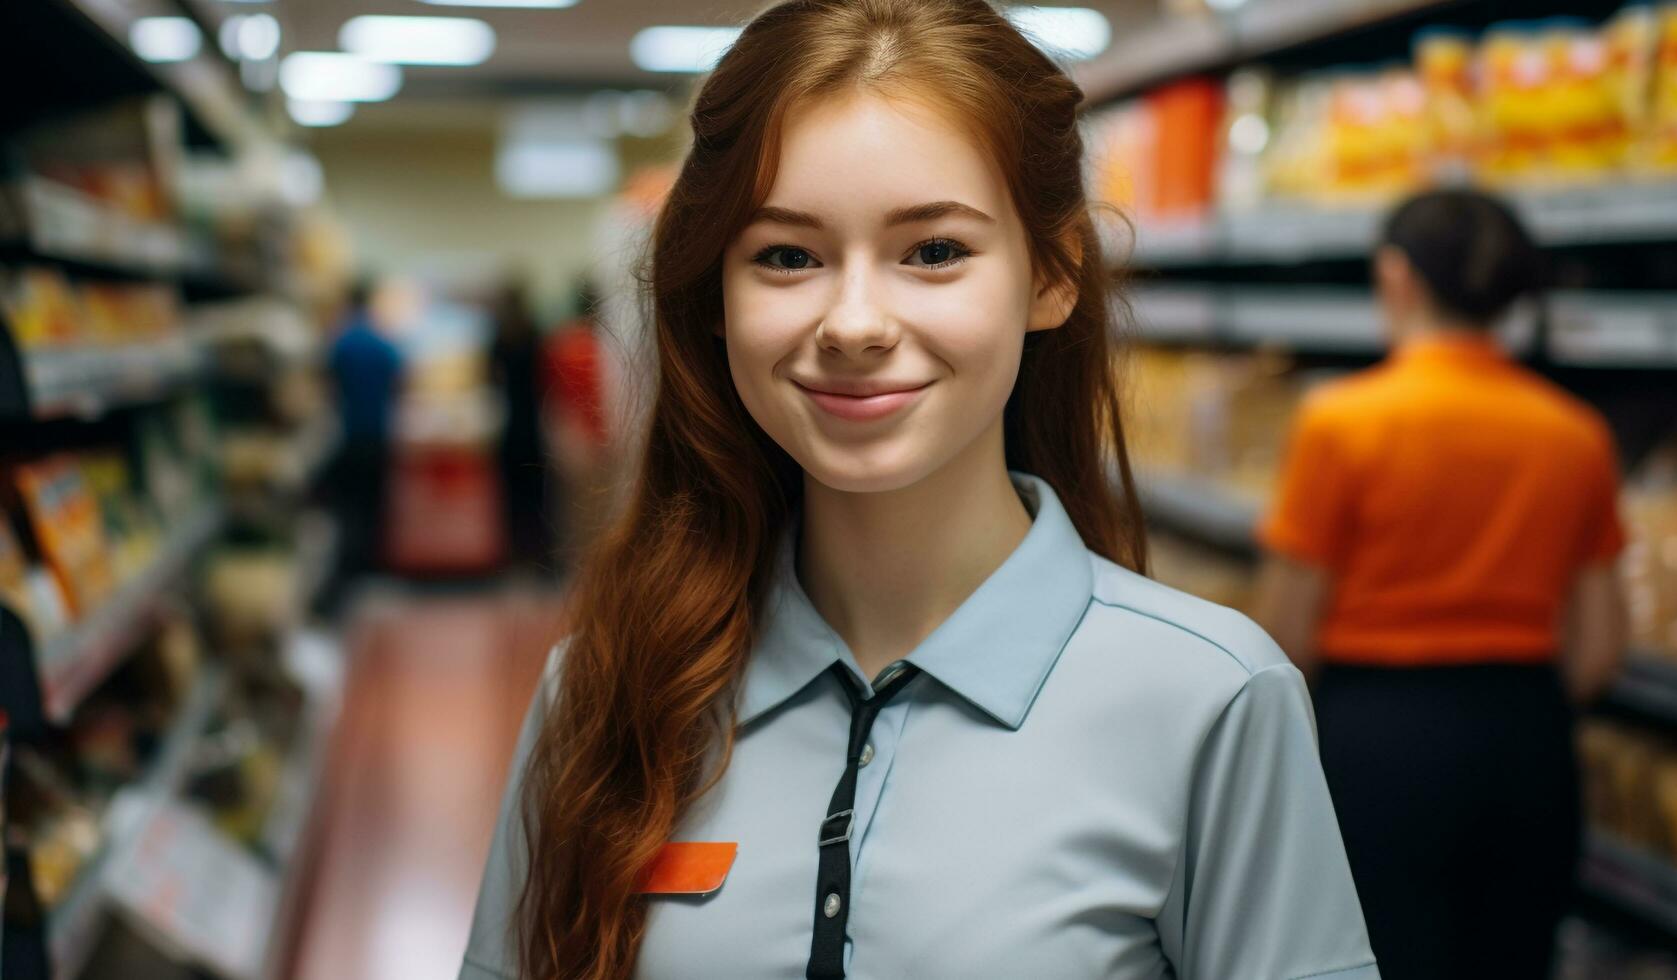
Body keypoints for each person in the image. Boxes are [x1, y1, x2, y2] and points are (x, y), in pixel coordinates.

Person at [461, 2, 1376, 978]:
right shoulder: (600, 691)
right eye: (786, 255)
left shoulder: (1212, 699)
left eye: (933, 250)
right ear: (713, 297)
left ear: (1052, 275)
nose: (853, 321)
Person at [1254, 188, 1630, 980]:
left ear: (1396, 278)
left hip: (1376, 744)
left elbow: (1283, 635)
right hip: (1524, 741)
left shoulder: (1342, 422)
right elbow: (1597, 651)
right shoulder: (1574, 434)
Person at [324, 277, 404, 597]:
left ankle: (351, 571)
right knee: (376, 503)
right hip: (379, 433)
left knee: (349, 506)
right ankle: (374, 565)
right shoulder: (383, 343)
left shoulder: (340, 343)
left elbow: (329, 385)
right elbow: (398, 383)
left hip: (349, 434)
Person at [540, 279, 612, 565]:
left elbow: (551, 392)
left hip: (564, 429)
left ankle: (575, 559)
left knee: (571, 504)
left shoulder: (561, 342)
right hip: (589, 431)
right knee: (593, 505)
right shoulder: (594, 345)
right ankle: (589, 560)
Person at [489, 281, 550, 574]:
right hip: (535, 427)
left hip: (511, 426)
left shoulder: (499, 336)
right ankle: (539, 554)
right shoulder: (536, 332)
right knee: (537, 496)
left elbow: (491, 378)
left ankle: (514, 555)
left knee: (511, 497)